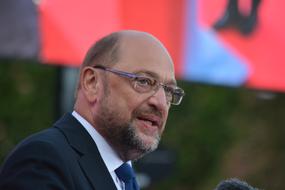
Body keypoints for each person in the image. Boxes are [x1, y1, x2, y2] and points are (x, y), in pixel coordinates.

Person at [0, 30, 185, 190]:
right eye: (144, 81)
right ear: (92, 83)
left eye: (169, 91)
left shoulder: (125, 178)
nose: (160, 102)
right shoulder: (43, 160)